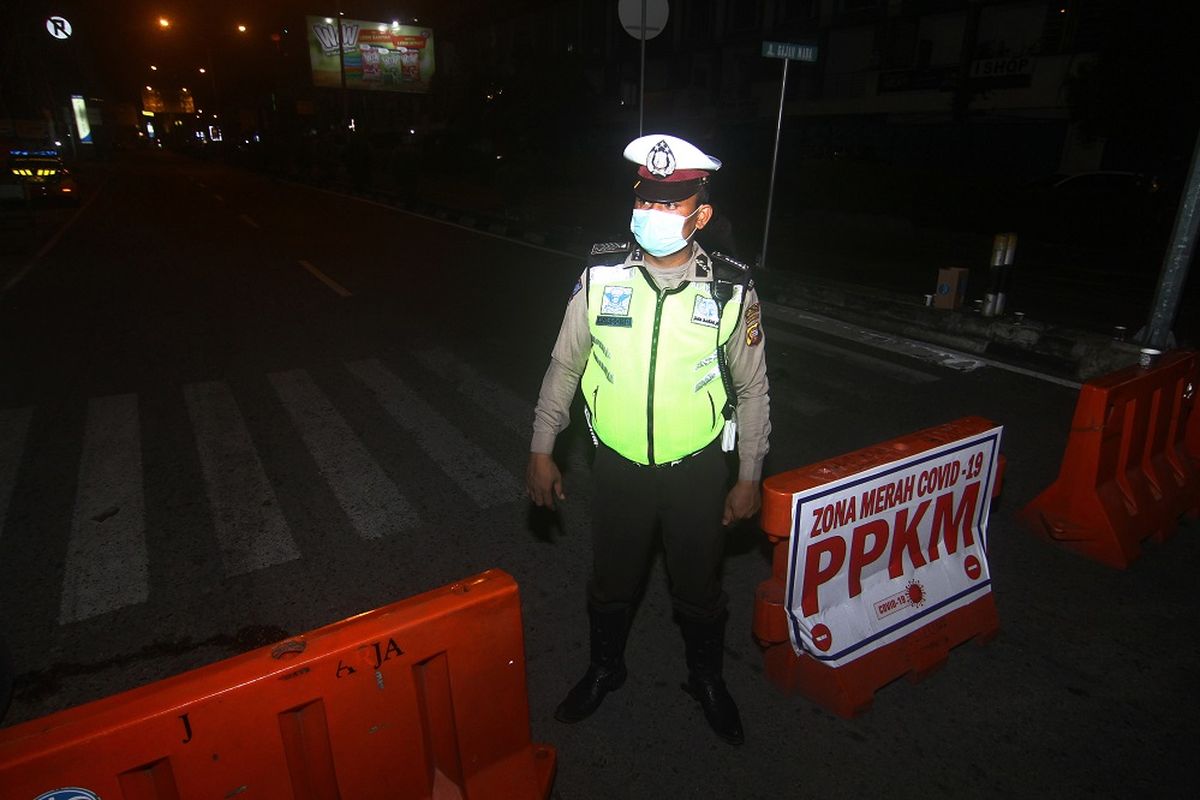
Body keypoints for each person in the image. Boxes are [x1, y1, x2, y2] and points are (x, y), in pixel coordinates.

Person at [527, 134, 771, 745]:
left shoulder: (729, 291)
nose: (654, 215)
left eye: (671, 204)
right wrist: (541, 446)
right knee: (612, 581)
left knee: (699, 587)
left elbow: (755, 390)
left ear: (701, 215)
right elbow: (566, 364)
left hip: (695, 472)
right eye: (647, 201)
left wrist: (749, 475)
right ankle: (605, 668)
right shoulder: (602, 273)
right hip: (617, 468)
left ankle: (706, 679)